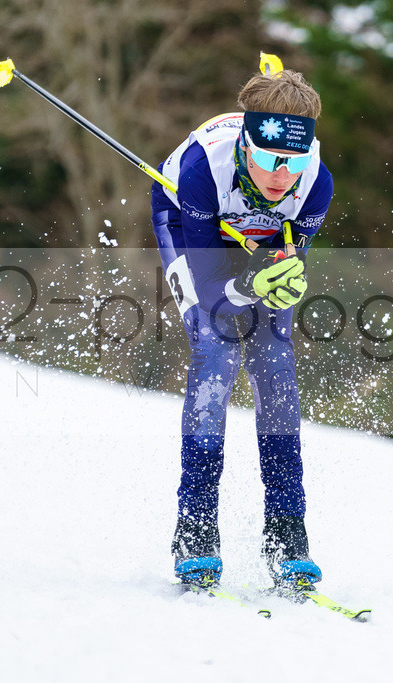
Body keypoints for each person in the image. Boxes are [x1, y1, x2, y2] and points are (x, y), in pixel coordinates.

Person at [151, 60, 333, 587]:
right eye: (271, 159)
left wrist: (284, 272)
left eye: (294, 162)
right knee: (216, 349)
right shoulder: (200, 169)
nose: (283, 175)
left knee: (275, 362)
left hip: (257, 234)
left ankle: (286, 530)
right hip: (188, 222)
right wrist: (249, 285)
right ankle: (196, 527)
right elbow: (211, 289)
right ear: (247, 148)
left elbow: (287, 255)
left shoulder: (313, 183)